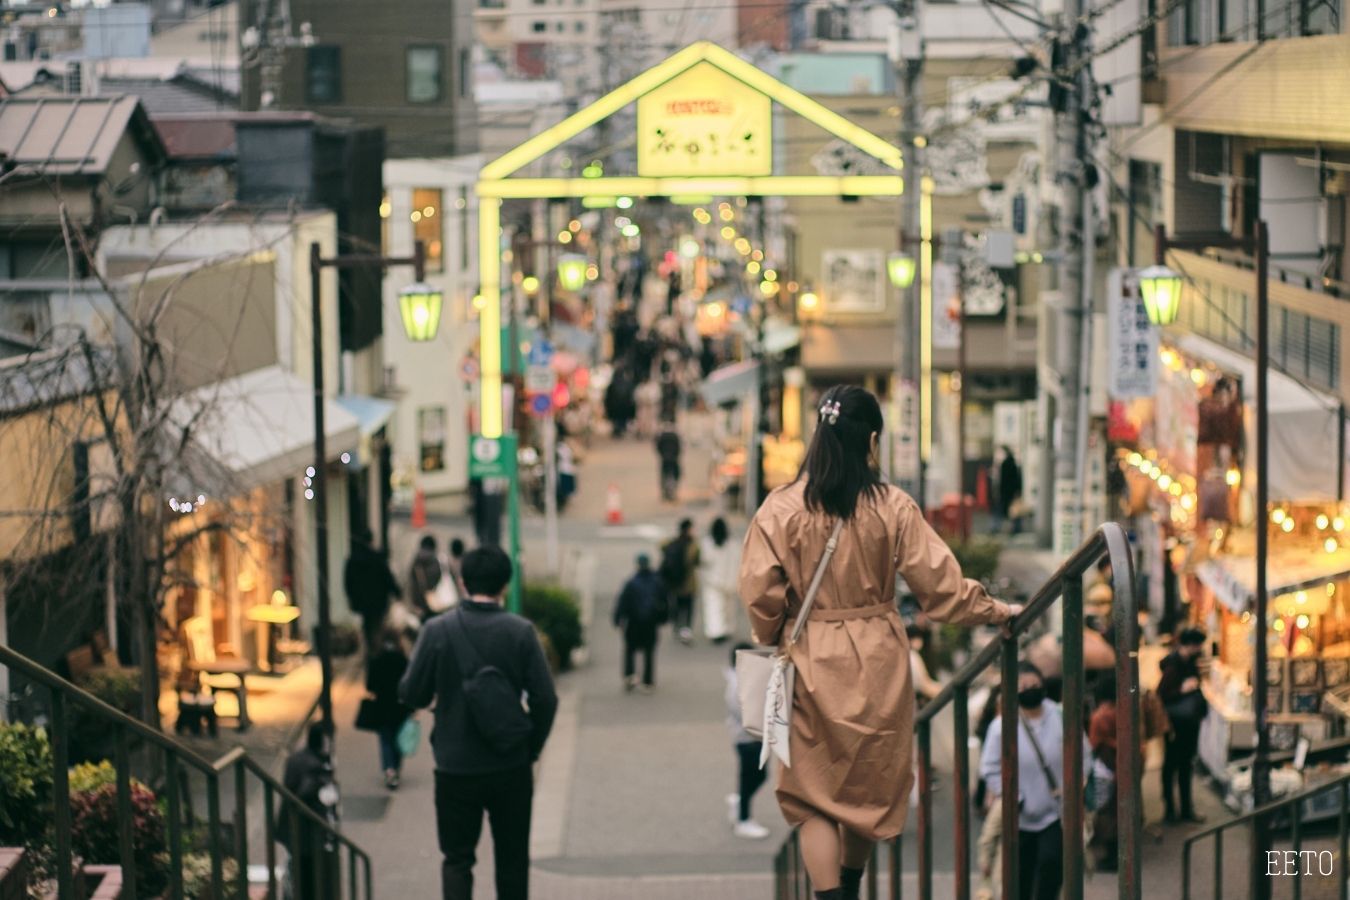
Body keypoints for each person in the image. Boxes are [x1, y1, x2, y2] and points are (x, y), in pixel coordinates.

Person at [739, 385, 1019, 900]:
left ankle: (832, 897)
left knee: (811, 796)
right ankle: (852, 883)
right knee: (868, 785)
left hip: (811, 656)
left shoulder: (780, 509)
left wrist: (774, 631)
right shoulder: (892, 507)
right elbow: (942, 589)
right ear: (871, 441)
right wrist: (996, 610)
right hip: (879, 658)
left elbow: (760, 594)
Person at [399, 546, 558, 900]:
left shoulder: (437, 630)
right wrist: (529, 747)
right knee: (513, 860)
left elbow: (411, 693)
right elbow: (546, 699)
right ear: (505, 585)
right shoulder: (521, 632)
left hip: (455, 765)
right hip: (510, 765)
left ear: (462, 581)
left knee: (457, 859)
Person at [979, 661, 1089, 900]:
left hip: (1057, 812)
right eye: (1023, 685)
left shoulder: (1061, 716)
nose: (1030, 688)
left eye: (1034, 684)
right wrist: (1011, 795)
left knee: (1051, 866)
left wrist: (1075, 786)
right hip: (1019, 814)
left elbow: (1084, 754)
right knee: (1020, 875)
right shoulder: (1002, 725)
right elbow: (989, 767)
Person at [280, 722, 339, 900]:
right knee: (309, 877)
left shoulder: (296, 758)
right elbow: (305, 791)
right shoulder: (315, 766)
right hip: (307, 833)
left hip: (292, 828)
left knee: (297, 872)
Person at [1158, 627, 1209, 824]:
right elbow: (1161, 694)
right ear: (1190, 645)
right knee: (1172, 765)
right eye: (1197, 645)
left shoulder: (1190, 663)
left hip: (1188, 723)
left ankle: (1185, 809)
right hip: (1175, 724)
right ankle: (1170, 810)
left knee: (1185, 765)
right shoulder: (1173, 666)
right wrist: (1182, 689)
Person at [725, 641, 771, 840]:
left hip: (751, 737)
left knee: (757, 776)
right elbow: (745, 714)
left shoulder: (740, 679)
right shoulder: (738, 685)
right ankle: (743, 818)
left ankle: (740, 803)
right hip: (748, 739)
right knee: (751, 776)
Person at [612, 554, 668, 692]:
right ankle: (648, 681)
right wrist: (662, 619)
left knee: (630, 650)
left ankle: (630, 676)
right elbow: (665, 602)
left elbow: (622, 603)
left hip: (633, 623)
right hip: (650, 623)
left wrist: (618, 619)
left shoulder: (631, 583)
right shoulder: (657, 582)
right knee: (649, 652)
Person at [343, 529, 401, 659]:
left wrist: (351, 598)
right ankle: (375, 653)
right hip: (378, 601)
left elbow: (348, 582)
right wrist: (397, 592)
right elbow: (387, 578)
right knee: (376, 627)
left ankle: (370, 651)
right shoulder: (377, 558)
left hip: (362, 602)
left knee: (367, 626)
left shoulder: (353, 559)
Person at [367, 628, 413, 790]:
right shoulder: (403, 660)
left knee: (385, 740)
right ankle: (396, 769)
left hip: (382, 707)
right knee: (398, 740)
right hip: (400, 707)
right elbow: (410, 685)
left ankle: (389, 769)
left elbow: (370, 686)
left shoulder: (376, 659)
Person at [660, 518, 701, 644]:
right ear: (689, 529)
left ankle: (676, 628)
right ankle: (686, 629)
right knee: (688, 607)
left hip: (675, 583)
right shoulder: (692, 545)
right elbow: (696, 560)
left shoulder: (672, 543)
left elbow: (661, 546)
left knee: (677, 606)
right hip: (688, 583)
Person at [700, 517, 739, 643]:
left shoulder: (707, 544)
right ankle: (728, 628)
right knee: (729, 607)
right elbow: (739, 561)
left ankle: (716, 631)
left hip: (713, 581)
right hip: (731, 580)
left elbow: (704, 562)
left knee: (714, 607)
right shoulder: (733, 543)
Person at [408, 534, 444, 622]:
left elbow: (412, 580)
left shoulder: (416, 560)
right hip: (431, 598)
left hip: (418, 599)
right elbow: (438, 576)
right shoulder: (435, 560)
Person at [907, 623, 942, 704]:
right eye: (917, 638)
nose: (920, 641)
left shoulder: (911, 654)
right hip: (919, 693)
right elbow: (921, 683)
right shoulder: (912, 656)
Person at [997, 446, 1023, 534]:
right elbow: (1017, 479)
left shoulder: (1005, 464)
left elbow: (1003, 480)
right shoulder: (1014, 464)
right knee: (1014, 510)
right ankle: (1016, 527)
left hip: (1006, 491)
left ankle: (1007, 528)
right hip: (1012, 491)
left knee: (1006, 511)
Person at [656, 426, 682, 501]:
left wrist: (662, 455)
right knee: (675, 475)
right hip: (674, 459)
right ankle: (672, 492)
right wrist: (676, 455)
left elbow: (658, 446)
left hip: (665, 459)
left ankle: (665, 493)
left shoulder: (662, 435)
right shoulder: (675, 436)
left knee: (664, 475)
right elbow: (679, 447)